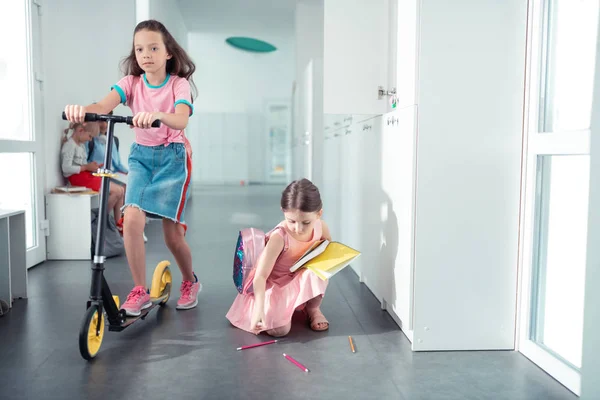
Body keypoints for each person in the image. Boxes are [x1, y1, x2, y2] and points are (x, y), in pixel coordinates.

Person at [63, 19, 200, 316]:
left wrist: (158, 115)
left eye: (153, 48)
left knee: (172, 237)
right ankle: (140, 290)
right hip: (141, 158)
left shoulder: (178, 84)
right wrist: (82, 110)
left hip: (173, 158)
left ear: (167, 53)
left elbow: (181, 119)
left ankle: (190, 281)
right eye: (140, 49)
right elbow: (102, 105)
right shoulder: (131, 83)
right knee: (133, 220)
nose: (146, 54)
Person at [226, 178, 331, 337]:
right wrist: (259, 309)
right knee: (279, 331)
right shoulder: (279, 237)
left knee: (318, 272)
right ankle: (279, 307)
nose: (298, 228)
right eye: (292, 221)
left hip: (300, 276)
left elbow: (329, 249)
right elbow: (260, 277)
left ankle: (313, 308)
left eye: (306, 222)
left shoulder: (321, 226)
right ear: (283, 212)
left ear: (319, 214)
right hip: (275, 285)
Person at [60, 121, 125, 224]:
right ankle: (101, 219)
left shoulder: (80, 146)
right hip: (78, 179)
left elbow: (84, 165)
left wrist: (92, 168)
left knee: (121, 190)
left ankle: (118, 224)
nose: (90, 139)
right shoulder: (70, 145)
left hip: (85, 176)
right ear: (81, 131)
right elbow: (66, 168)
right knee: (116, 191)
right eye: (90, 136)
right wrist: (86, 167)